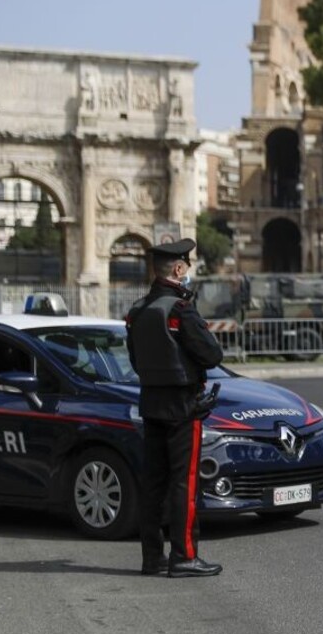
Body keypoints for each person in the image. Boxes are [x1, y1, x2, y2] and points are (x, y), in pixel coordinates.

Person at [125, 239, 225, 578]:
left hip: (150, 403)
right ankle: (183, 556)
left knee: (153, 483)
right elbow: (211, 355)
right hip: (183, 406)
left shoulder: (137, 310)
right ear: (179, 269)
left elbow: (136, 361)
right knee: (185, 482)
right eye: (186, 267)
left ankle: (152, 558)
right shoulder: (180, 308)